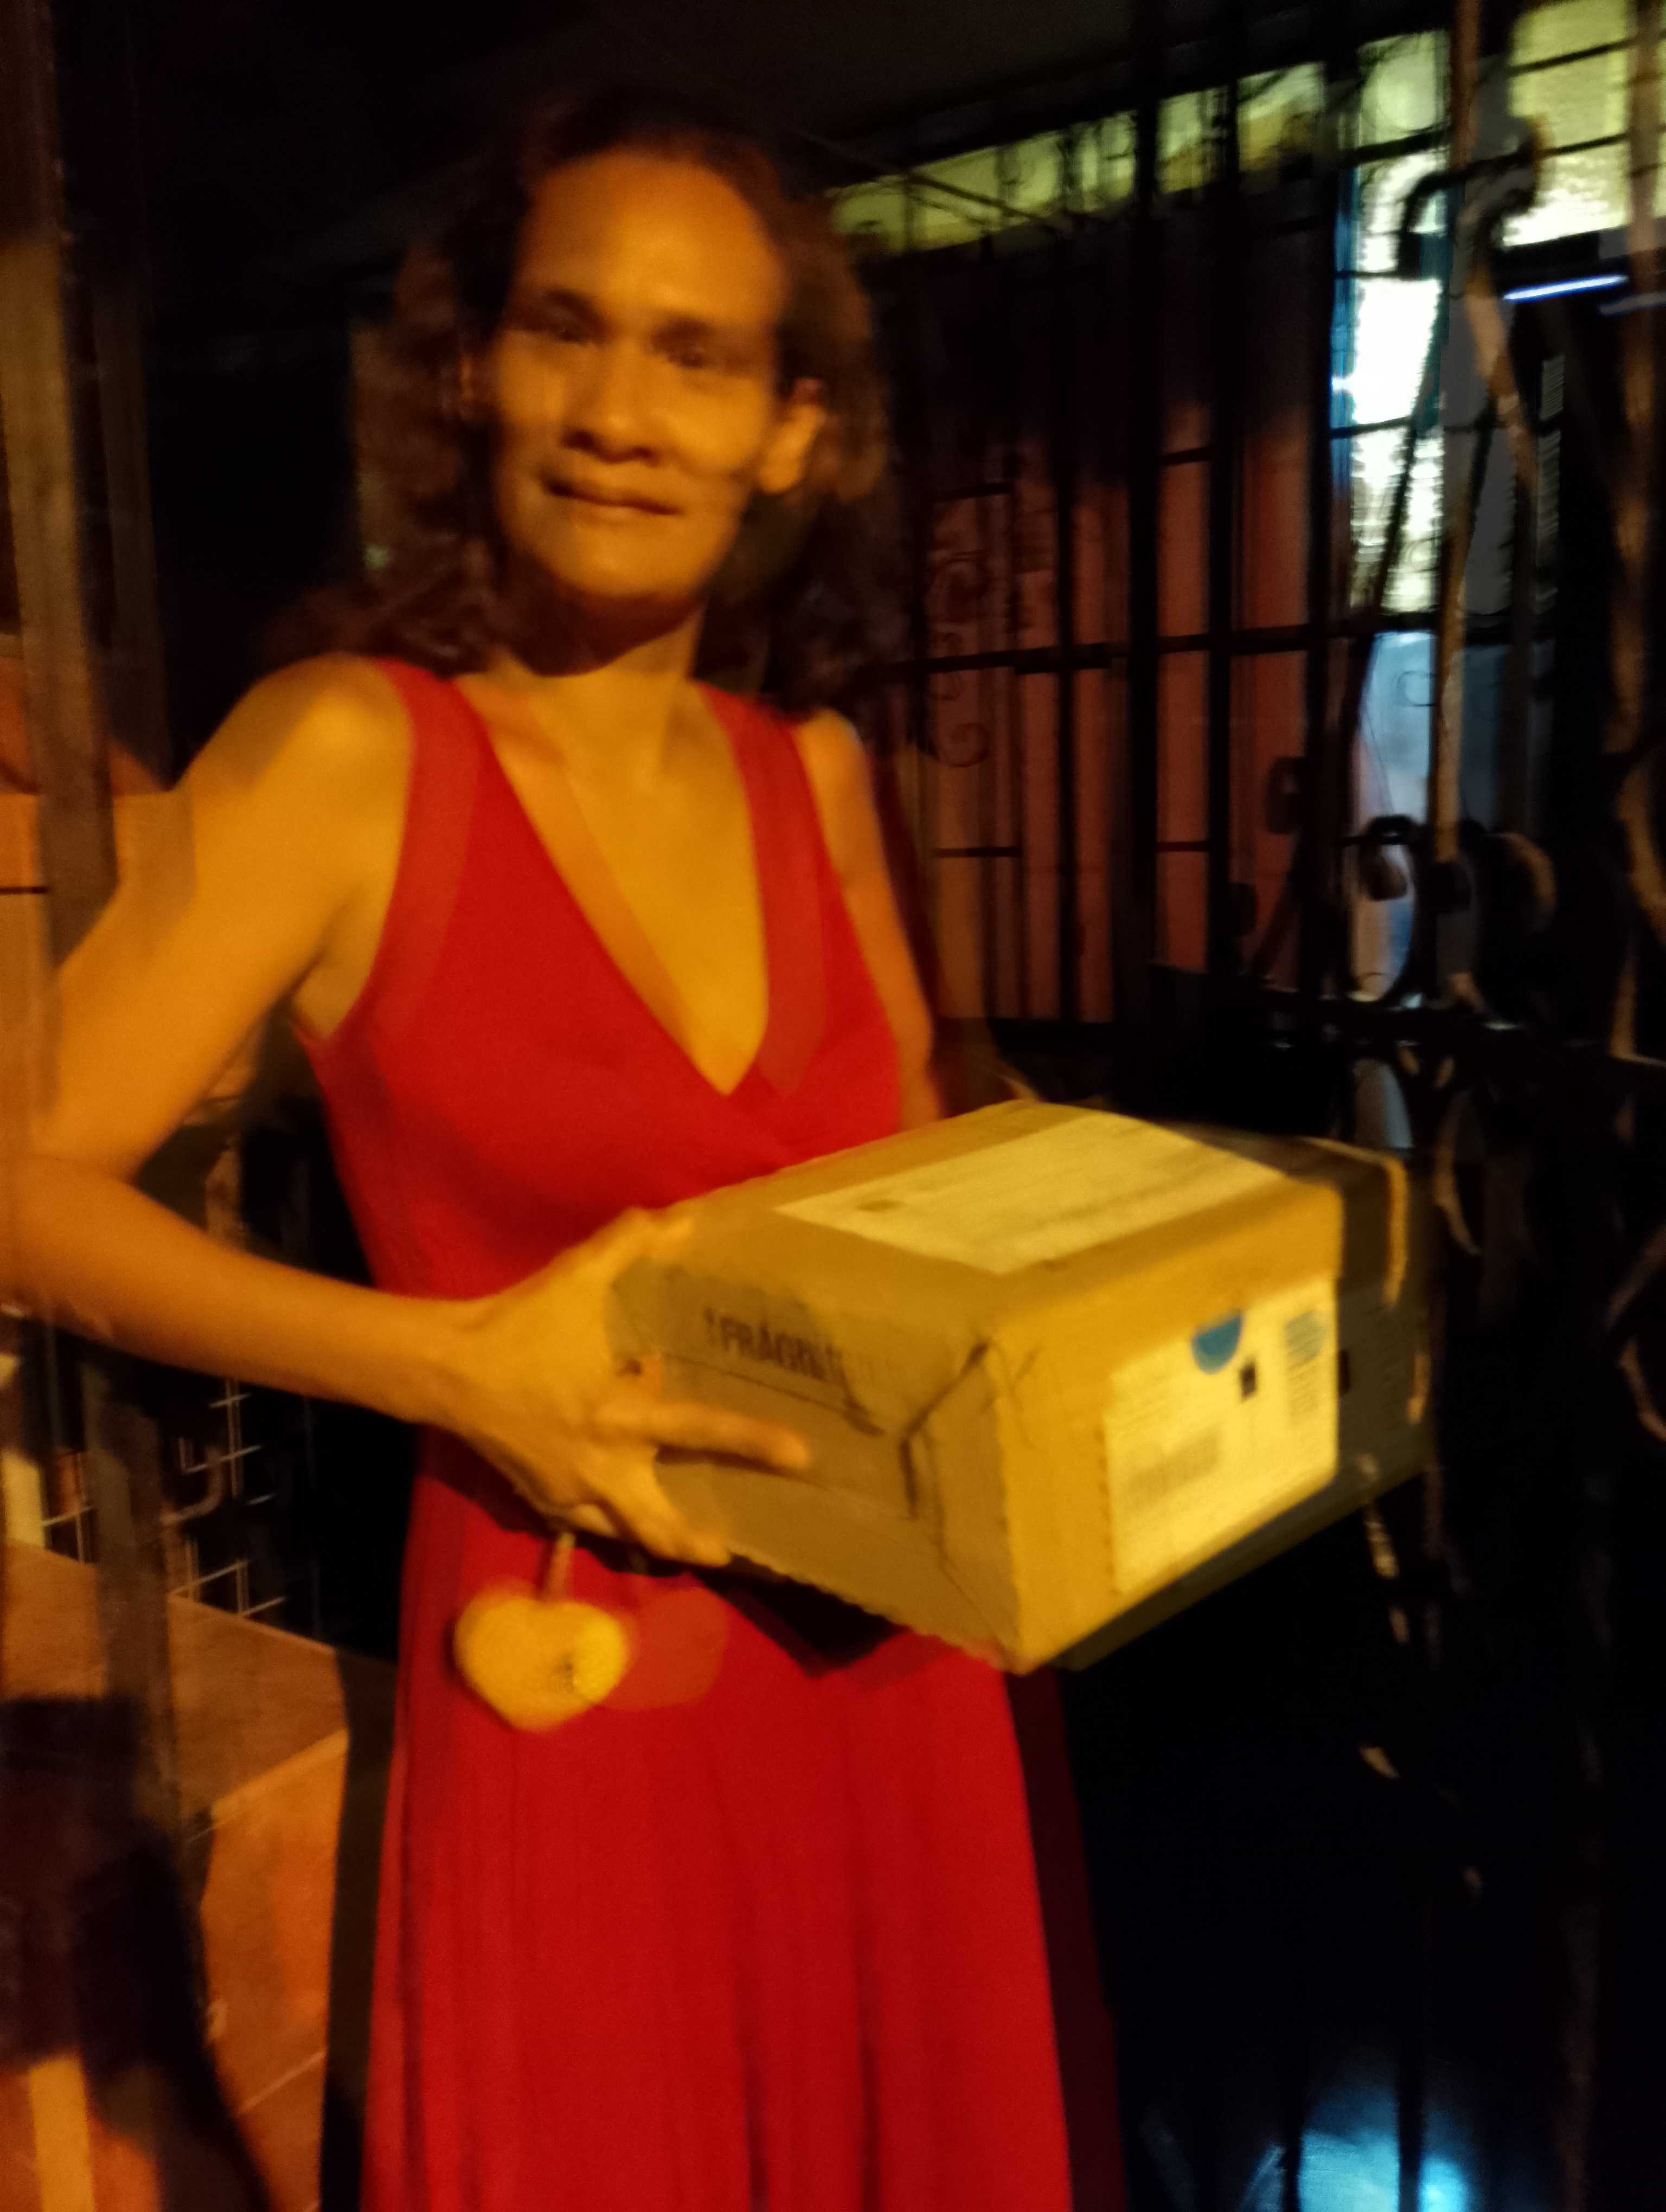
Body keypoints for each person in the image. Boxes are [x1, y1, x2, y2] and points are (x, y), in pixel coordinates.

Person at [8, 85, 1121, 2211]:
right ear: (472, 375)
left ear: (789, 431)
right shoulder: (349, 755)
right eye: (566, 328)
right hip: (573, 1700)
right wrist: (448, 1365)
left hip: (900, 1686)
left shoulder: (816, 774)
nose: (621, 413)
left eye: (697, 356)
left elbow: (909, 1199)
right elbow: (19, 1187)